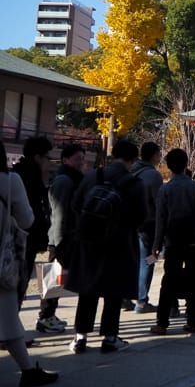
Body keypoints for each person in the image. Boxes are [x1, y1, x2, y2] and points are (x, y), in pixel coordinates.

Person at [67, 139, 147, 354]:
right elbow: (141, 216)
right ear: (132, 159)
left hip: (89, 240)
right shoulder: (133, 183)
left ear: (112, 155)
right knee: (114, 290)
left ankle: (80, 337)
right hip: (119, 242)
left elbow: (75, 204)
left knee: (88, 289)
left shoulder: (93, 176)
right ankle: (110, 337)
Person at [0, 141, 59, 387]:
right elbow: (26, 219)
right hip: (4, 260)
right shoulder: (11, 181)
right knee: (8, 316)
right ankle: (27, 370)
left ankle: (28, 370)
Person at [150, 149, 195, 335]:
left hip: (174, 239)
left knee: (169, 281)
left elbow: (160, 219)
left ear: (169, 167)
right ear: (186, 165)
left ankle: (162, 322)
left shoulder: (165, 189)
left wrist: (156, 245)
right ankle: (193, 321)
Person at [41, 142, 86, 334]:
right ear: (65, 160)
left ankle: (49, 315)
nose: (81, 163)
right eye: (77, 159)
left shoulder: (71, 179)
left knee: (59, 278)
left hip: (66, 236)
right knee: (54, 278)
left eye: (83, 159)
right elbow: (59, 212)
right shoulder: (65, 181)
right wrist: (58, 242)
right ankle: (45, 317)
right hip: (60, 238)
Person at [12, 137, 53, 321]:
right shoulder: (29, 178)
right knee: (17, 284)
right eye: (47, 157)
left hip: (17, 239)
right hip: (22, 240)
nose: (49, 162)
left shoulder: (18, 173)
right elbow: (30, 215)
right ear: (38, 157)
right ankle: (9, 331)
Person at [130, 141, 163, 313]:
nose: (160, 157)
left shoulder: (132, 171)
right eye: (159, 154)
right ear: (153, 155)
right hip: (148, 224)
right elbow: (159, 203)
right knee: (147, 261)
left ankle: (127, 297)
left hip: (129, 223)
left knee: (132, 261)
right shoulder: (153, 176)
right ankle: (141, 301)